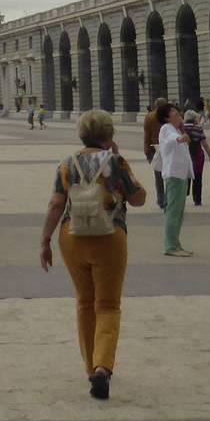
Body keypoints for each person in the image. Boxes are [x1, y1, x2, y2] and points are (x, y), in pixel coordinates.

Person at [39, 109, 147, 400]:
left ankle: (90, 366)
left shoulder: (67, 164)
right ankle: (103, 366)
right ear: (109, 135)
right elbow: (138, 198)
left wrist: (45, 240)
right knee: (108, 304)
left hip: (72, 236)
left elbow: (55, 204)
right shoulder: (115, 162)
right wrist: (122, 171)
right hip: (110, 235)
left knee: (85, 302)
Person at [157, 103, 194, 256]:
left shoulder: (176, 129)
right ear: (166, 117)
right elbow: (171, 139)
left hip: (181, 175)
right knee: (173, 211)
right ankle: (171, 246)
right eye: (173, 111)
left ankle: (175, 243)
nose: (177, 113)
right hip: (174, 175)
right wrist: (180, 138)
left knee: (178, 212)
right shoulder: (167, 128)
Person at [143, 97, 169, 209]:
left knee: (158, 176)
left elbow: (146, 136)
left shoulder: (149, 117)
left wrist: (146, 151)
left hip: (155, 149)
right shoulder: (169, 116)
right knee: (169, 175)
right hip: (168, 148)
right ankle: (168, 198)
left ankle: (161, 199)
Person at [183, 109, 210, 206]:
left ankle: (183, 195)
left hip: (185, 156)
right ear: (195, 118)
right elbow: (204, 143)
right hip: (197, 156)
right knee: (198, 177)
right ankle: (197, 199)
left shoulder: (181, 128)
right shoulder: (198, 128)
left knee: (184, 177)